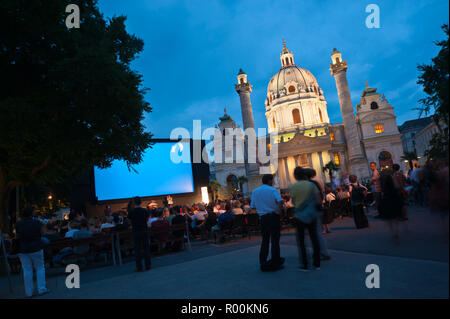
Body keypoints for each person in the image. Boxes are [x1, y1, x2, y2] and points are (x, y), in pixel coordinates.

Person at [289, 167, 322, 272]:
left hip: (299, 217)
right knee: (314, 238)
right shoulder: (311, 185)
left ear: (295, 176)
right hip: (312, 215)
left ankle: (304, 264)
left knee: (302, 241)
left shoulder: (293, 187)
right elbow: (318, 201)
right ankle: (317, 263)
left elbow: (293, 202)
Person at [250, 174, 285, 271]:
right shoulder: (272, 190)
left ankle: (263, 262)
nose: (273, 182)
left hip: (263, 218)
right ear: (269, 181)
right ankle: (275, 261)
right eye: (272, 180)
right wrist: (278, 211)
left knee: (265, 241)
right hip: (273, 216)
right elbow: (280, 201)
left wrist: (262, 207)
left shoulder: (255, 191)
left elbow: (252, 206)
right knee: (275, 240)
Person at [15, 206, 49, 297]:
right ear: (32, 213)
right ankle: (41, 288)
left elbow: (17, 235)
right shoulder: (37, 222)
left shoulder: (18, 224)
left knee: (27, 270)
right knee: (40, 268)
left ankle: (28, 292)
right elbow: (44, 233)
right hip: (36, 247)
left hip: (23, 249)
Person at [305, 169, 331, 260]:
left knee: (316, 232)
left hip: (314, 208)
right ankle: (322, 251)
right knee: (318, 231)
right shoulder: (319, 181)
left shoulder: (310, 184)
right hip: (320, 205)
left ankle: (323, 252)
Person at [127, 196, 151, 272]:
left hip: (136, 232)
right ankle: (148, 266)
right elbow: (147, 219)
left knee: (137, 250)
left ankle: (139, 267)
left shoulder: (131, 212)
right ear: (141, 202)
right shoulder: (145, 211)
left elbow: (129, 221)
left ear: (133, 202)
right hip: (144, 231)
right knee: (146, 249)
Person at [379, 169, 403, 239]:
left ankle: (392, 232)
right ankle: (395, 231)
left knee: (389, 217)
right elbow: (397, 186)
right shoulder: (391, 178)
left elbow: (381, 190)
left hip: (386, 198)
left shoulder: (381, 180)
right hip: (394, 197)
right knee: (395, 216)